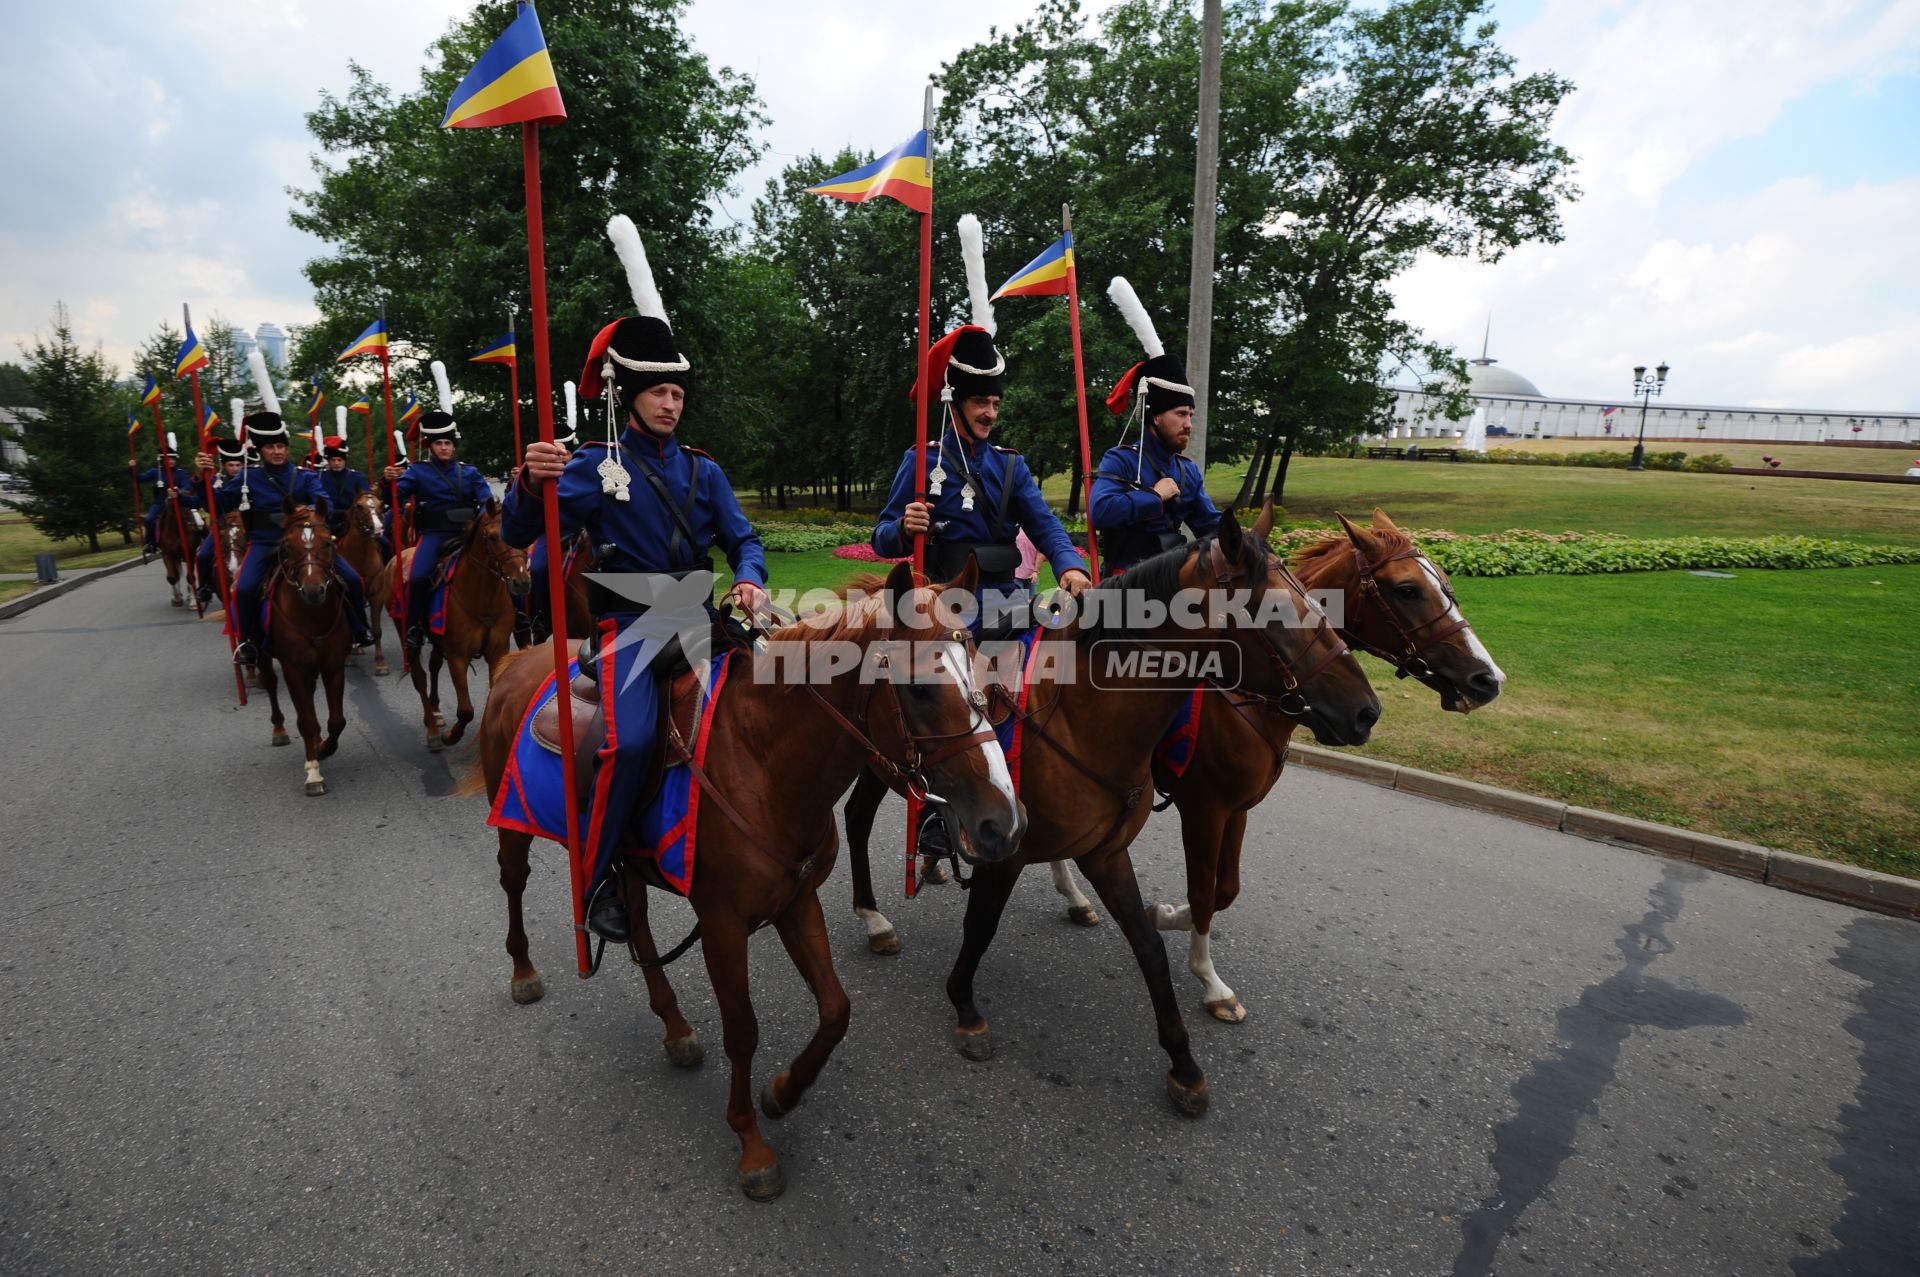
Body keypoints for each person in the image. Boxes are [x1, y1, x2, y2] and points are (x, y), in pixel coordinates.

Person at [504, 215, 767, 946]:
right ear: (626, 394)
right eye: (656, 391)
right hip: (632, 628)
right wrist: (532, 481)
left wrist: (749, 578)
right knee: (635, 739)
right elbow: (519, 534)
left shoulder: (704, 470)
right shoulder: (588, 464)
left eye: (678, 392)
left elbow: (744, 538)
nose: (671, 402)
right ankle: (600, 877)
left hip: (704, 620)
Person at [871, 214, 1090, 862]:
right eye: (979, 400)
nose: (991, 410)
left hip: (1006, 601)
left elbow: (1044, 523)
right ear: (956, 401)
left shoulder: (1012, 465)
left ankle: (1031, 796)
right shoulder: (920, 459)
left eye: (996, 400)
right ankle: (942, 818)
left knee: (1048, 695)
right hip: (941, 607)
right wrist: (900, 528)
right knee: (963, 708)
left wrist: (1070, 563)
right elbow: (882, 538)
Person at [196, 354, 372, 666]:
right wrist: (204, 477)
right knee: (244, 588)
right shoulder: (247, 479)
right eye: (270, 447)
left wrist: (312, 516)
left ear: (286, 448)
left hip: (307, 543)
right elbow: (218, 504)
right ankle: (248, 642)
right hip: (264, 544)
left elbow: (324, 502)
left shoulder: (303, 477)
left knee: (354, 580)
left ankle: (359, 629)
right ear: (261, 450)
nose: (277, 452)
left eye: (281, 447)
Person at [1089, 276, 1223, 575]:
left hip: (1171, 582)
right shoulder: (1121, 459)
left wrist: (1245, 541)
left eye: (1190, 415)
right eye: (1180, 414)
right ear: (1155, 416)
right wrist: (1154, 495)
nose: (1188, 424)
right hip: (1124, 584)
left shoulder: (1186, 470)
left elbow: (1209, 524)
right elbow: (1100, 511)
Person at [383, 363, 494, 653]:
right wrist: (388, 482)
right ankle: (415, 627)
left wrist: (484, 523)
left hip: (468, 533)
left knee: (505, 567)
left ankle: (519, 618)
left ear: (454, 445)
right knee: (418, 576)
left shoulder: (469, 472)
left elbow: (486, 501)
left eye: (448, 443)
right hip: (434, 534)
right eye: (439, 443)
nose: (444, 447)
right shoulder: (417, 472)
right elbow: (394, 496)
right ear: (430, 446)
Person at [194, 437, 247, 612]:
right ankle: (205, 587)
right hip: (221, 526)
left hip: (246, 526)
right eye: (231, 465)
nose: (235, 468)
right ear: (224, 465)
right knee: (203, 555)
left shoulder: (249, 479)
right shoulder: (215, 481)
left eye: (238, 465)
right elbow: (208, 503)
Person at [133, 441, 201, 556]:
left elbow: (187, 486)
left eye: (173, 459)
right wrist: (132, 468)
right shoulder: (155, 472)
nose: (171, 461)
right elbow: (140, 478)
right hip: (160, 504)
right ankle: (150, 544)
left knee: (198, 520)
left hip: (180, 502)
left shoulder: (181, 473)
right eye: (168, 459)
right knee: (149, 519)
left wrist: (180, 491)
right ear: (163, 460)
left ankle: (202, 539)